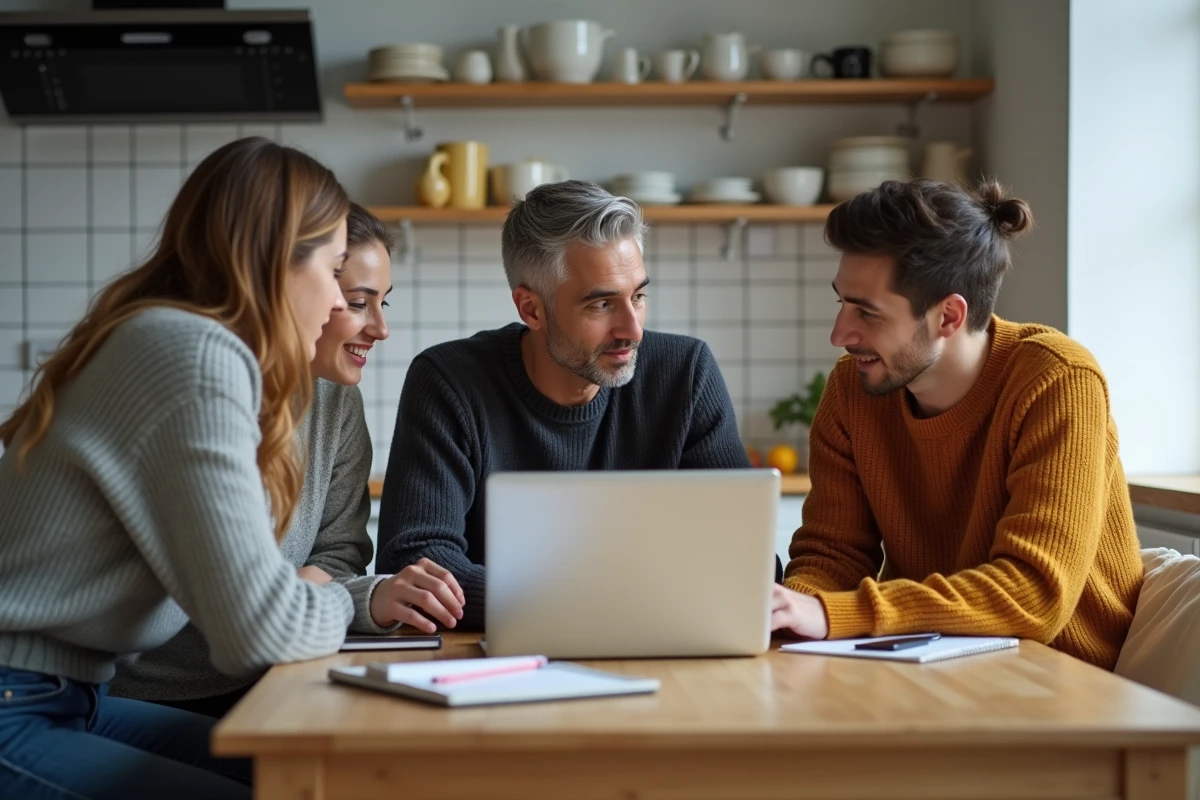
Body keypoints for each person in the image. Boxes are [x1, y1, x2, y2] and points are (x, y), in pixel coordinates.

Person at [0, 137, 356, 798]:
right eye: (334, 269)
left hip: (68, 695)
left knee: (337, 777)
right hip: (16, 704)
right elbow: (262, 631)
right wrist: (342, 599)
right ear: (279, 260)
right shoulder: (192, 355)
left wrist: (344, 599)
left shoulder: (170, 338)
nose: (340, 303)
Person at [108, 204, 464, 720]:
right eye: (359, 303)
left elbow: (338, 556)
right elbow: (241, 606)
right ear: (296, 291)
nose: (381, 328)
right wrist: (351, 599)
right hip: (152, 692)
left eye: (384, 302)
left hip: (276, 672)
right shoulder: (199, 391)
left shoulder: (335, 402)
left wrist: (308, 597)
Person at [769, 178, 1142, 670]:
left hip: (1062, 683)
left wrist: (833, 612)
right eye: (842, 302)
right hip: (925, 670)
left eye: (868, 312)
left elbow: (1034, 594)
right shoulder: (852, 392)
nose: (840, 334)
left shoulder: (1057, 380)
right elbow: (832, 554)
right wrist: (789, 611)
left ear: (948, 316)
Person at [375, 180, 762, 630]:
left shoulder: (685, 372)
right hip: (499, 668)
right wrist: (632, 597)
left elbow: (745, 560)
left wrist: (555, 598)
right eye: (601, 304)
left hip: (660, 652)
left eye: (638, 296)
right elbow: (416, 567)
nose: (632, 329)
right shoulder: (448, 381)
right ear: (532, 309)